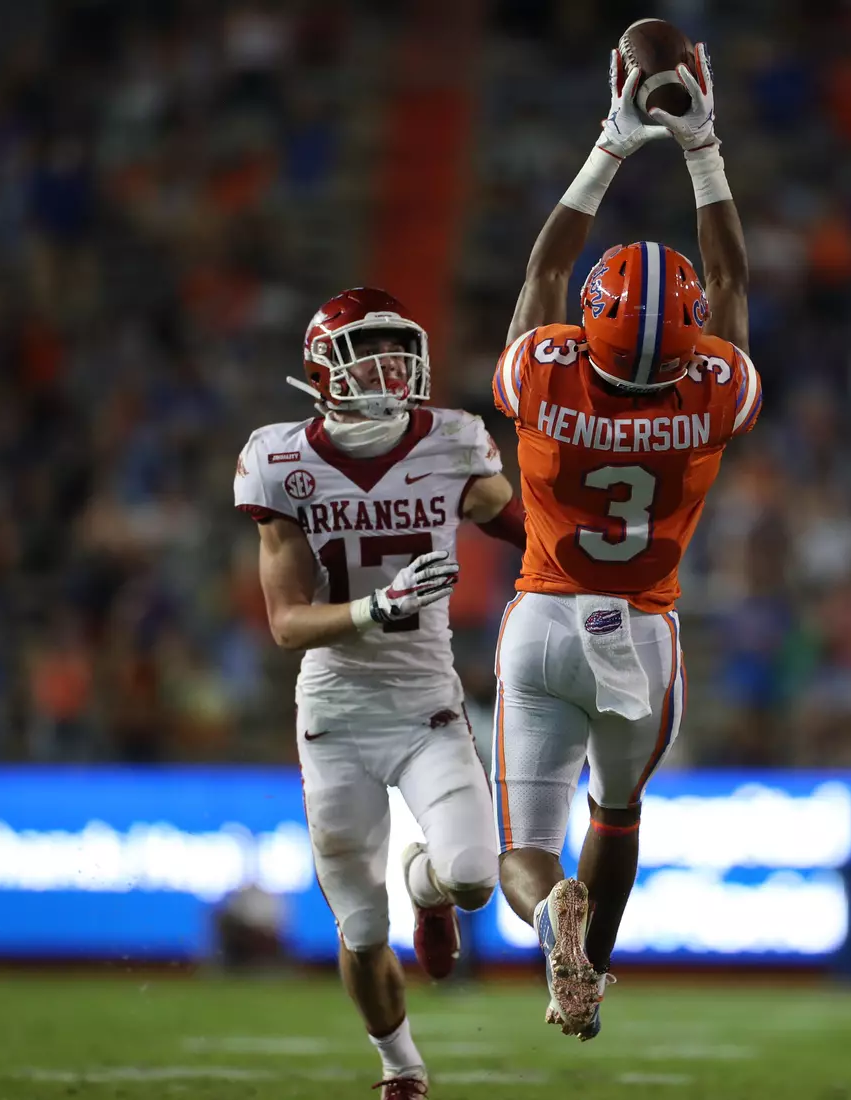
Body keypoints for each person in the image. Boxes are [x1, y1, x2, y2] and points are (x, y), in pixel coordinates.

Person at [489, 43, 759, 1039]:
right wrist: (702, 145)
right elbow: (728, 273)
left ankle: (549, 911)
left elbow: (548, 265)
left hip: (542, 619)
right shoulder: (714, 393)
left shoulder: (546, 374)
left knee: (529, 843)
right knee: (618, 814)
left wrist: (612, 142)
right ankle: (589, 972)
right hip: (643, 633)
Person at [234, 287, 525, 1099]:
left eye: (399, 352)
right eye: (369, 355)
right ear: (323, 370)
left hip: (428, 704)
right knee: (362, 928)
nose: (391, 370)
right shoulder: (280, 460)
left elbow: (531, 535)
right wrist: (376, 607)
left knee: (471, 876)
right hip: (334, 717)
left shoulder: (454, 442)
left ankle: (425, 888)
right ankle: (401, 1069)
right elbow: (288, 623)